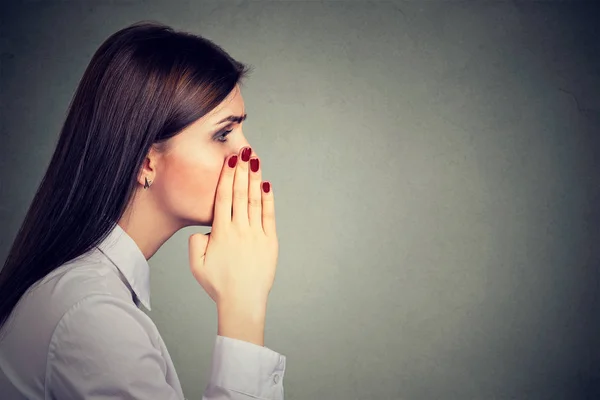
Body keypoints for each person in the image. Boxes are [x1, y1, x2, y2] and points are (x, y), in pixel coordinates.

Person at [0, 21, 285, 399]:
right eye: (222, 134)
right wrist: (244, 303)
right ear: (146, 162)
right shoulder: (91, 316)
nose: (248, 155)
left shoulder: (87, 297)